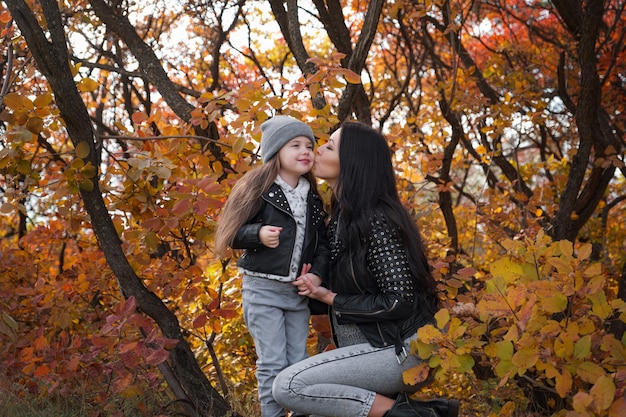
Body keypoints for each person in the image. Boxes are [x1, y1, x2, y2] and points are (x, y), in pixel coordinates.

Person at [272, 121, 460, 417]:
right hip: (373, 348)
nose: (316, 150)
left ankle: (421, 416)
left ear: (353, 162)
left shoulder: (376, 219)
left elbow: (399, 300)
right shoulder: (339, 219)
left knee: (289, 386)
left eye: (329, 147)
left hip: (404, 351)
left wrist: (329, 297)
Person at [214, 115, 329, 417]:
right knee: (272, 363)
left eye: (309, 145)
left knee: (299, 363)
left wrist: (316, 273)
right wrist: (257, 234)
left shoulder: (313, 197)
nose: (305, 151)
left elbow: (322, 246)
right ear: (276, 151)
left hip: (297, 294)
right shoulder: (259, 188)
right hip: (262, 290)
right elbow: (230, 233)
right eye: (295, 145)